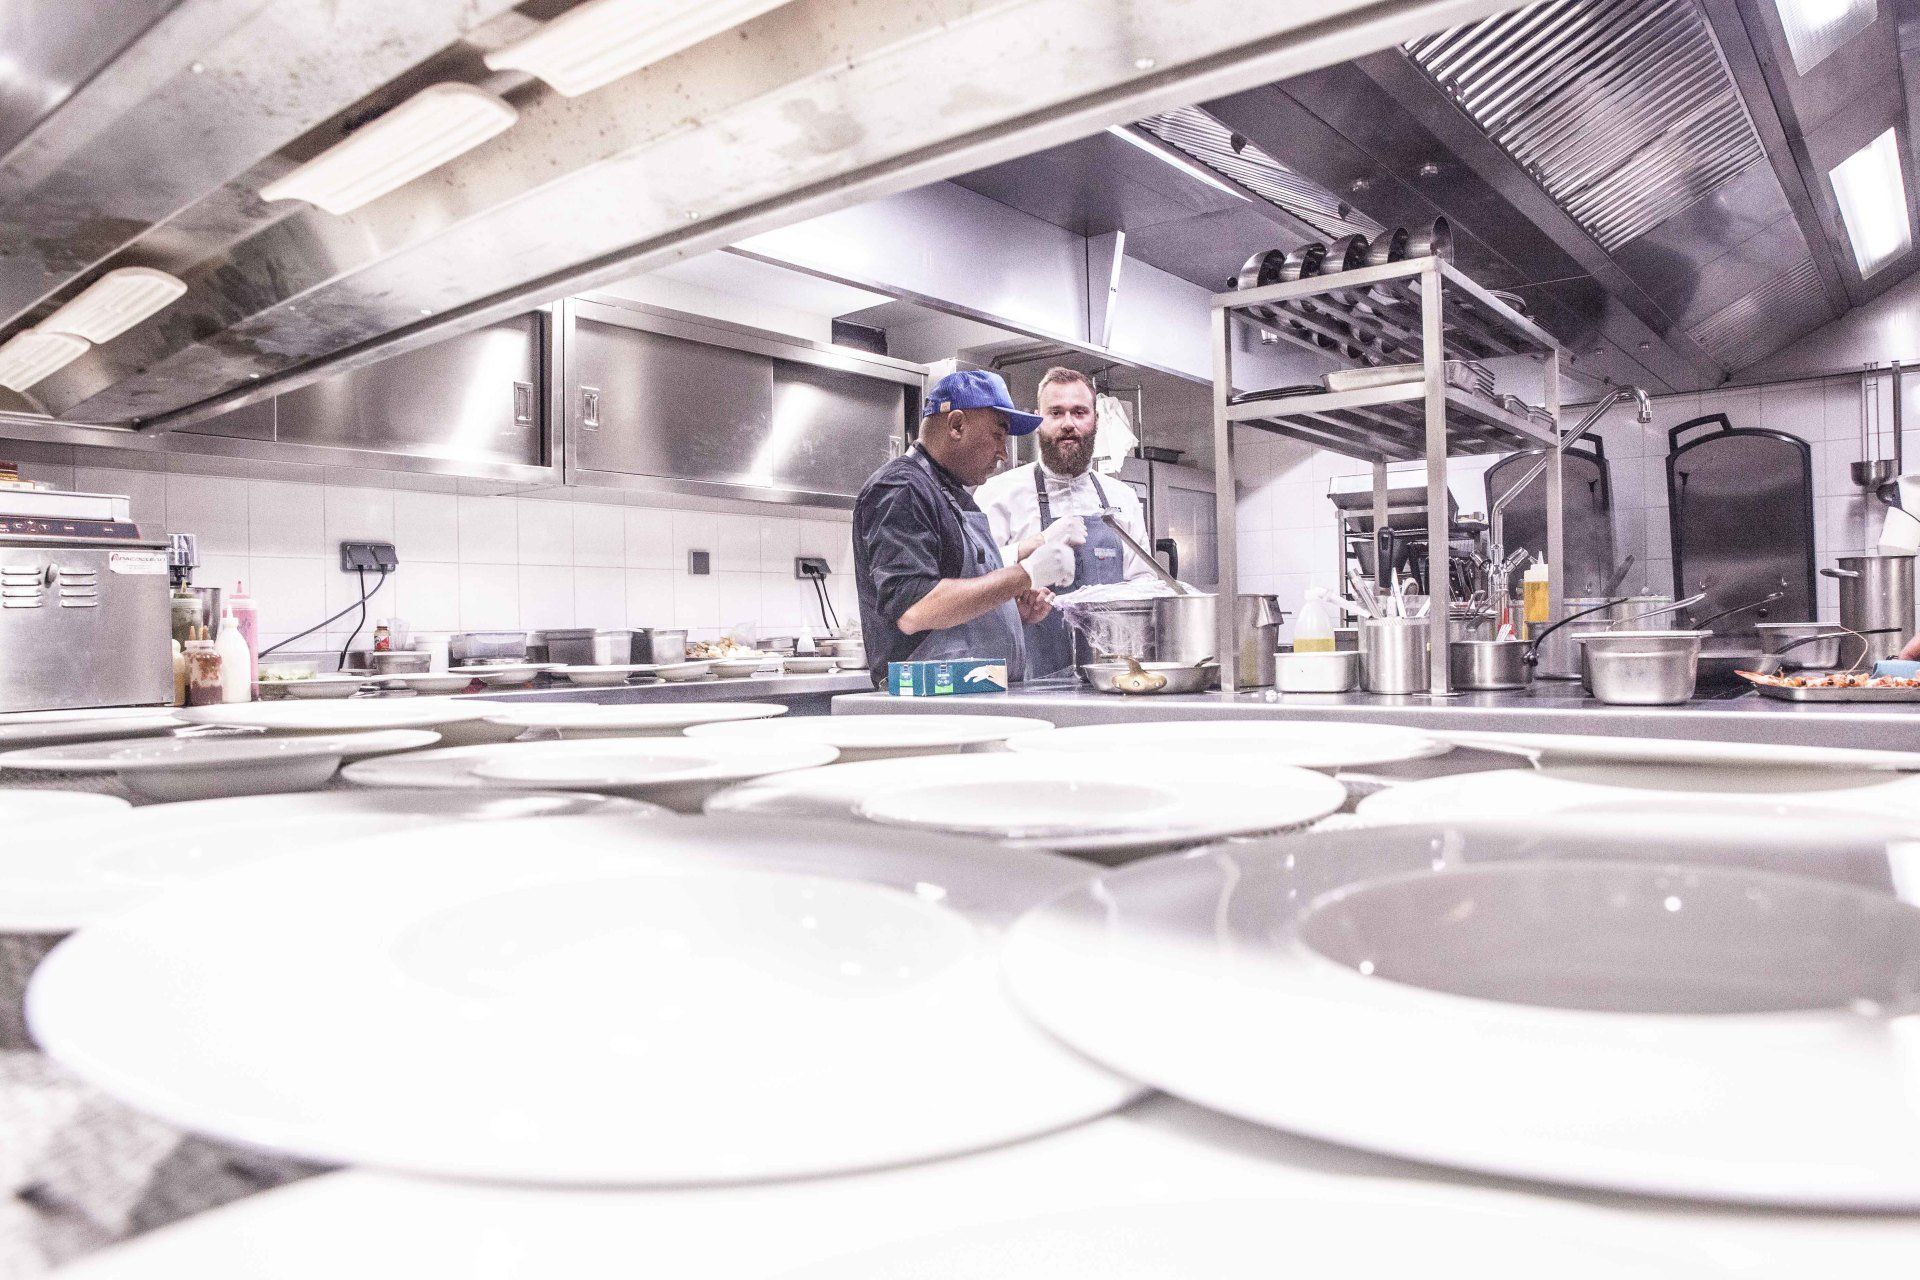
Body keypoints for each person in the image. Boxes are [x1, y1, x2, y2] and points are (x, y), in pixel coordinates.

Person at [852, 369, 1076, 685]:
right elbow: (915, 610)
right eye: (998, 435)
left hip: (972, 694)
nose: (1004, 453)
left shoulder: (952, 494)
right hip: (928, 703)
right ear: (956, 425)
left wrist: (1009, 614)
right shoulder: (902, 488)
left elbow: (952, 612)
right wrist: (1025, 574)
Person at [975, 366, 1157, 677]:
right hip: (1024, 680)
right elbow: (975, 578)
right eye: (1056, 413)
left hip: (1112, 676)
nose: (1068, 423)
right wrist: (1032, 557)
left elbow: (1143, 586)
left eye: (1079, 412)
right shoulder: (998, 494)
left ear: (1095, 419)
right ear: (1038, 420)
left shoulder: (1122, 498)